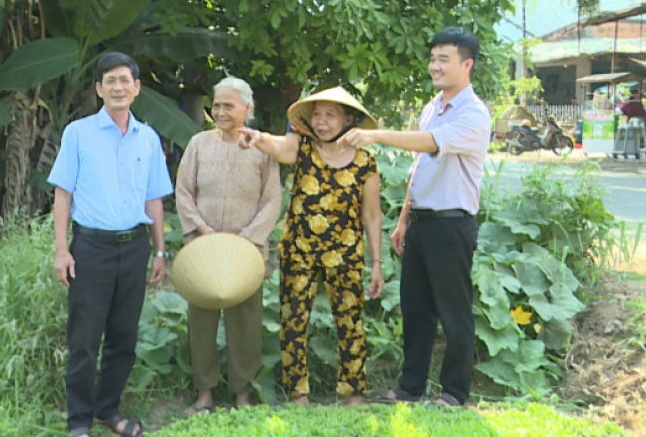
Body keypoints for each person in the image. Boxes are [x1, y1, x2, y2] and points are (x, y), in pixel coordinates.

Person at [338, 27, 492, 407]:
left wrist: (376, 135)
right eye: (433, 58)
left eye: (444, 59)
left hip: (452, 224)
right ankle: (410, 387)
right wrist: (405, 216)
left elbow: (431, 143)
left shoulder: (474, 113)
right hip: (422, 222)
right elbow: (420, 165)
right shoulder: (431, 107)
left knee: (454, 312)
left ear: (467, 64)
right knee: (416, 309)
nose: (435, 66)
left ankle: (454, 393)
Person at [47, 52, 173, 437]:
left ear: (137, 87)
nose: (118, 87)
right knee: (84, 339)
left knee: (124, 336)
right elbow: (62, 194)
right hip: (91, 248)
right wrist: (62, 251)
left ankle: (108, 409)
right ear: (99, 89)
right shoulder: (78, 133)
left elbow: (154, 198)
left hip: (134, 247)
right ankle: (79, 422)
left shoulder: (148, 138)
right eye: (109, 81)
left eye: (124, 80)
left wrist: (159, 250)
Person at [239, 87, 384, 406]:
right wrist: (257, 137)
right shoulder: (301, 147)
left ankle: (353, 392)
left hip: (346, 255)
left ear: (348, 120)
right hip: (299, 252)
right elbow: (276, 144)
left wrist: (377, 263)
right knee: (293, 321)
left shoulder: (365, 161)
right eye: (317, 114)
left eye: (330, 115)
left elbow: (372, 216)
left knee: (351, 322)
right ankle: (297, 393)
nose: (321, 121)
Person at [175, 77, 281, 415]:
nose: (220, 112)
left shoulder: (262, 147)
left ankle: (242, 393)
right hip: (203, 249)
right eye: (216, 105)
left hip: (246, 252)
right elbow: (183, 191)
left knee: (246, 324)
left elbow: (272, 200)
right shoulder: (198, 144)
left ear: (246, 109)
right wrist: (201, 228)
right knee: (201, 322)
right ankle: (204, 393)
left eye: (228, 106)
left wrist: (248, 238)